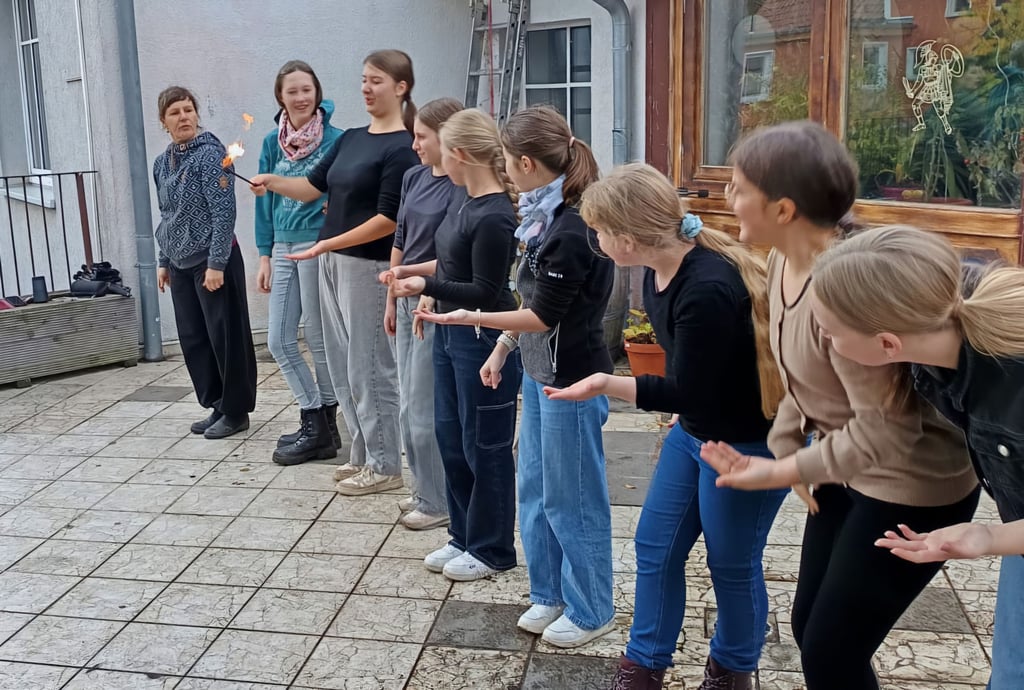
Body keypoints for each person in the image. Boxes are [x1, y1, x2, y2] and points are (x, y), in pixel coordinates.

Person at [698, 121, 980, 690]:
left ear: (783, 208)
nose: (725, 198)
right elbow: (802, 376)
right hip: (845, 468)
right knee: (812, 630)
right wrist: (785, 439)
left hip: (911, 486)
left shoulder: (846, 294)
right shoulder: (782, 261)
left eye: (736, 186)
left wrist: (781, 469)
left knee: (832, 648)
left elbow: (886, 434)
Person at [544, 163, 789, 687]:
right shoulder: (661, 272)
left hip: (747, 442)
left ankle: (732, 668)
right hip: (697, 429)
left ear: (627, 240)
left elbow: (686, 388)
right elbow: (693, 377)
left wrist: (604, 383)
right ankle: (644, 663)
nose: (596, 239)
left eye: (600, 231)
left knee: (731, 563)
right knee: (656, 546)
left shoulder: (705, 287)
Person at [418, 106, 616, 647]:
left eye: (507, 159)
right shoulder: (542, 216)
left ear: (527, 163)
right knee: (533, 489)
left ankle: (592, 605)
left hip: (572, 379)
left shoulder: (572, 229)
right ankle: (549, 591)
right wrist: (504, 348)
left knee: (571, 497)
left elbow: (544, 315)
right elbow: (536, 305)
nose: (504, 168)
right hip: (538, 370)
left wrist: (474, 319)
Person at [808, 224, 1024, 690]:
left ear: (888, 345)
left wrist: (988, 536)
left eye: (830, 333)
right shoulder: (942, 307)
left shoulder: (1013, 391)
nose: (826, 342)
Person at [250, 50, 420, 495]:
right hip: (333, 262)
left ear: (401, 87)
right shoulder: (353, 139)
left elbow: (390, 218)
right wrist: (270, 181)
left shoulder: (403, 145)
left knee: (370, 367)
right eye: (363, 79)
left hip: (370, 266)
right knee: (344, 367)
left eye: (376, 81)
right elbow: (310, 188)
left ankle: (385, 464)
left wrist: (329, 242)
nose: (366, 88)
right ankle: (362, 452)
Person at [389, 108, 521, 581]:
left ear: (460, 154)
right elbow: (448, 266)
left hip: (482, 337)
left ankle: (493, 549)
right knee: (451, 436)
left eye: (441, 147)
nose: (432, 154)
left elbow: (485, 290)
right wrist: (418, 280)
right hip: (450, 331)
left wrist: (428, 292)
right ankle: (463, 535)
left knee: (484, 443)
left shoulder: (495, 214)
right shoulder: (463, 201)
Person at [253, 60, 344, 466]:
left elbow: (344, 191)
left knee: (319, 337)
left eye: (307, 89)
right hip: (283, 249)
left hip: (318, 248)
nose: (301, 97)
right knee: (279, 340)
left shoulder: (336, 139)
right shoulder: (273, 142)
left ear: (317, 92)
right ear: (280, 97)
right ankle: (316, 417)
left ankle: (324, 427)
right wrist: (264, 254)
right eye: (292, 91)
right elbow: (265, 202)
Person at [153, 85, 257, 440]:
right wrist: (164, 260)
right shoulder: (162, 163)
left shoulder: (212, 156)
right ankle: (216, 403)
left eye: (188, 110)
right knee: (196, 339)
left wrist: (216, 264)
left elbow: (224, 212)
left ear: (197, 114)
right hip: (180, 263)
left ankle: (236, 410)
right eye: (175, 112)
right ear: (163, 122)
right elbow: (167, 215)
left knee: (225, 337)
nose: (183, 117)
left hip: (213, 262)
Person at [380, 97, 464, 530]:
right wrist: (393, 294)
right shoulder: (414, 177)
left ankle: (437, 501)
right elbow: (401, 235)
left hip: (435, 301)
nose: (414, 145)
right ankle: (422, 489)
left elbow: (450, 256)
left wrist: (417, 284)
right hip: (408, 296)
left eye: (421, 137)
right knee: (406, 405)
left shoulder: (458, 185)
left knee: (423, 408)